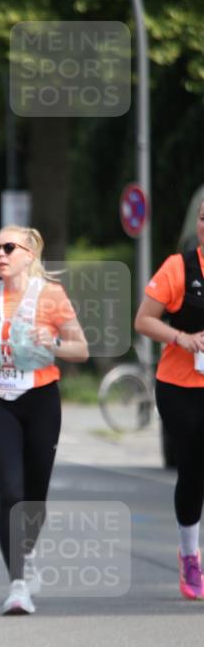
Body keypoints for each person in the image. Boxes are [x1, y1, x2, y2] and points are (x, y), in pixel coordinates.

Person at [0, 226, 88, 615]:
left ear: (29, 254)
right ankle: (17, 584)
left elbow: (81, 348)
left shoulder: (51, 295)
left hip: (41, 399)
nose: (0, 254)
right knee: (11, 493)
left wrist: (55, 344)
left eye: (9, 247)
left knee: (34, 498)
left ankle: (26, 554)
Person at [135, 199, 204, 600]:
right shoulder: (179, 268)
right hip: (180, 387)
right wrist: (182, 337)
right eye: (202, 218)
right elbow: (143, 319)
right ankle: (189, 554)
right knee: (193, 469)